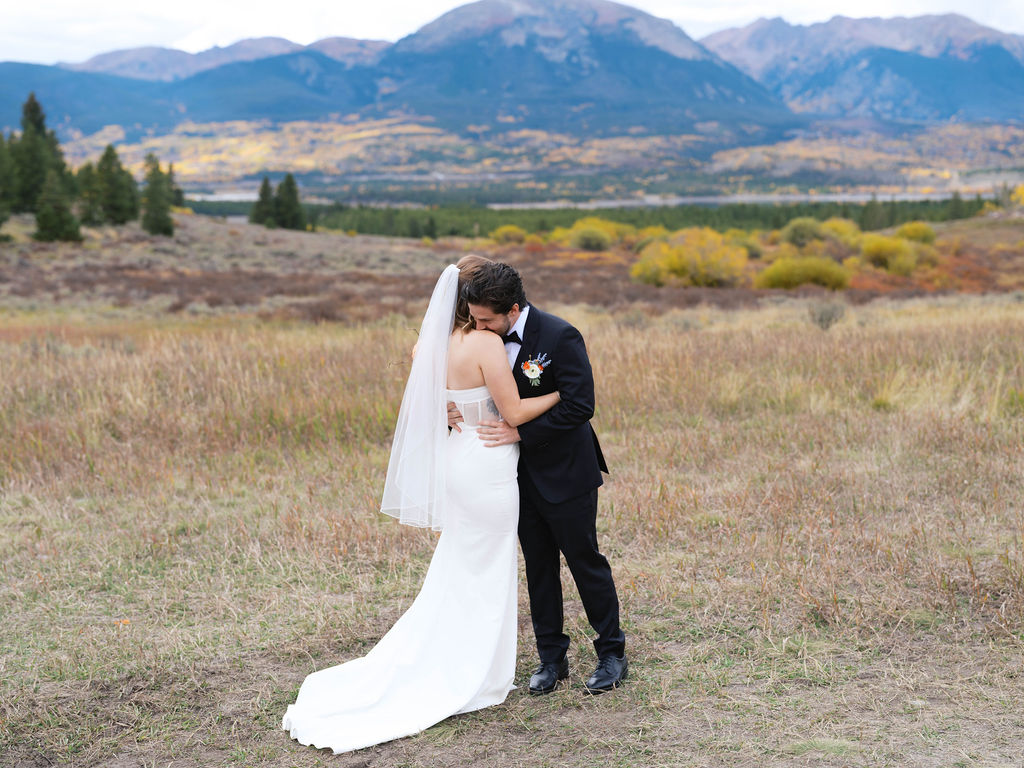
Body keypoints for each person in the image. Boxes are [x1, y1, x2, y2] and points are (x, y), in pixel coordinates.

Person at [281, 255, 559, 754]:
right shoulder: (485, 343)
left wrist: (454, 405)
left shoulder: (429, 345)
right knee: (488, 566)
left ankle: (463, 659)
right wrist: (559, 393)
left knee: (460, 563)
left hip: (459, 460)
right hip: (489, 462)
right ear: (471, 304)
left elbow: (431, 403)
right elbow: (514, 410)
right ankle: (479, 673)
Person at [455, 262, 627, 695]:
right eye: (475, 318)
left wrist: (522, 431)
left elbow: (579, 405)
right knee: (539, 568)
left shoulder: (559, 335)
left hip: (567, 472)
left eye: (487, 319)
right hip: (512, 476)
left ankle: (612, 653)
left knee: (585, 562)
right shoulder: (481, 341)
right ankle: (552, 659)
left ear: (513, 309)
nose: (480, 326)